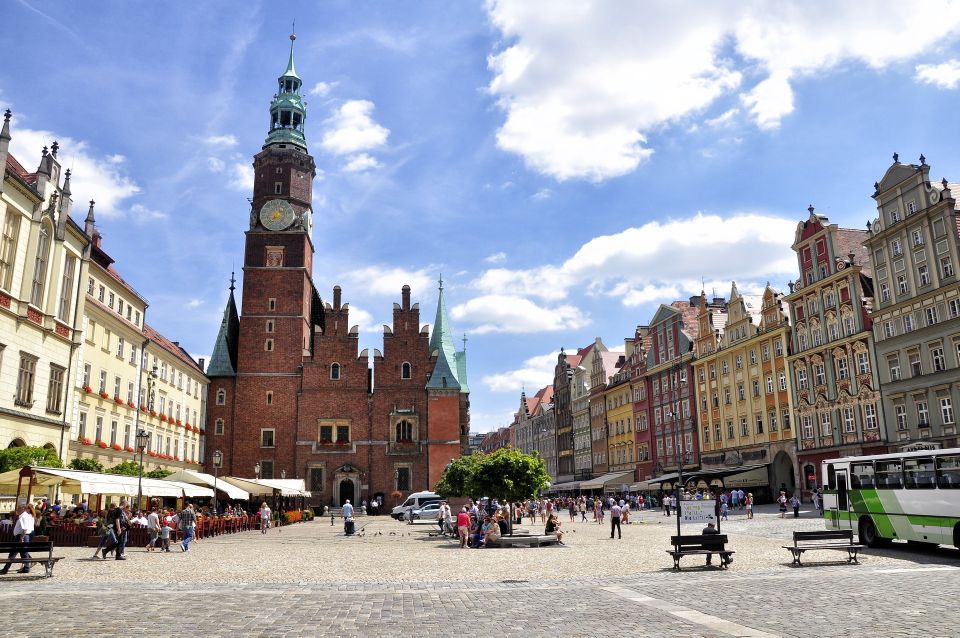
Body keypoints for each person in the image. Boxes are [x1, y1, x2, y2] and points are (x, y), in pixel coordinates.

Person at [0, 504, 35, 574]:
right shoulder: (27, 516)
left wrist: (21, 538)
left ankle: (5, 569)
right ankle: (26, 568)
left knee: (13, 553)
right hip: (24, 536)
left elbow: (25, 529)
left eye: (18, 509)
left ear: (23, 509)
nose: (17, 510)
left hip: (21, 536)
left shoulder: (23, 517)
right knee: (23, 553)